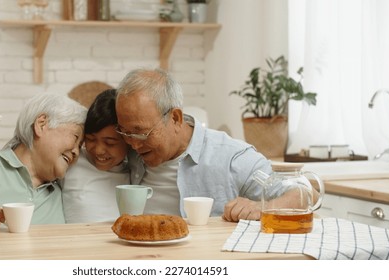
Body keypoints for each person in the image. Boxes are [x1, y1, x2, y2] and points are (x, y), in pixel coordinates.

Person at [115, 68, 287, 222]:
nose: (134, 144)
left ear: (175, 118)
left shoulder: (231, 158)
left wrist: (263, 207)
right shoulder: (126, 151)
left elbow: (303, 195)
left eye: (142, 133)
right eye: (125, 132)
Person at [0, 93, 87, 230]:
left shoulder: (62, 192)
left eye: (80, 146)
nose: (76, 152)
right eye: (75, 137)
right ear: (42, 125)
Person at [63, 89, 130, 223]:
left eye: (109, 143)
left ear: (129, 141)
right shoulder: (72, 161)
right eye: (91, 139)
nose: (98, 150)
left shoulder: (136, 170)